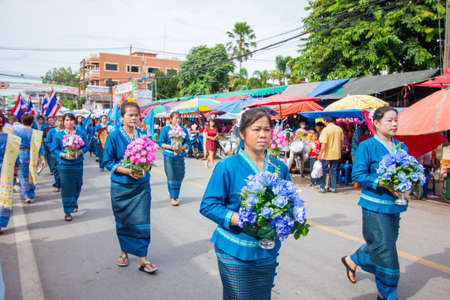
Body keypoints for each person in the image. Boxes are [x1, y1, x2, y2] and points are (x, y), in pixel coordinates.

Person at [200, 107, 291, 300]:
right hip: (234, 248)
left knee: (261, 296)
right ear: (242, 133)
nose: (263, 135)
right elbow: (208, 205)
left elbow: (289, 204)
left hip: (266, 249)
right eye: (256, 129)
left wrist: (285, 221)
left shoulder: (279, 167)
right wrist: (241, 219)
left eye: (267, 129)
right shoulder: (227, 166)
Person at [342, 107, 407, 300]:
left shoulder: (402, 147)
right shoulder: (367, 146)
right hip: (374, 205)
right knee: (386, 250)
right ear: (376, 124)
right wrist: (381, 182)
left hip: (394, 204)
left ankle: (352, 260)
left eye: (396, 120)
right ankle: (387, 293)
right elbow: (358, 174)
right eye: (389, 120)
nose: (394, 124)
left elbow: (408, 171)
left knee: (382, 245)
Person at [103, 101, 157, 274]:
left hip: (141, 186)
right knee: (124, 221)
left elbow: (150, 158)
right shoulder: (113, 136)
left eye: (136, 115)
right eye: (130, 115)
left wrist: (145, 168)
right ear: (122, 117)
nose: (134, 118)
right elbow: (107, 161)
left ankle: (142, 257)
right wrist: (127, 171)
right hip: (121, 187)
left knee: (142, 221)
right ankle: (124, 252)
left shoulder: (143, 134)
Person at [51, 113, 87, 221]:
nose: (69, 122)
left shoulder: (80, 133)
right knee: (66, 187)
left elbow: (86, 146)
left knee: (78, 185)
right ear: (63, 122)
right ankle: (67, 211)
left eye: (71, 120)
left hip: (77, 163)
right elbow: (54, 149)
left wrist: (80, 152)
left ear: (74, 122)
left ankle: (74, 201)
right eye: (66, 120)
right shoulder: (58, 134)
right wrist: (62, 154)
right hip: (64, 165)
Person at [158, 111, 189, 207]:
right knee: (171, 176)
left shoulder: (183, 129)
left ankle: (175, 194)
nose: (178, 120)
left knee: (180, 175)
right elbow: (161, 143)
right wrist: (171, 147)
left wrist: (181, 148)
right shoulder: (165, 129)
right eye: (176, 118)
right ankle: (173, 197)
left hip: (180, 155)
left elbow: (188, 142)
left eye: (179, 118)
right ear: (170, 119)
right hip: (169, 156)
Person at [13, 114, 46, 203]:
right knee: (32, 174)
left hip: (20, 154)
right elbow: (40, 147)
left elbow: (12, 145)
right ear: (32, 122)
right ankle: (31, 191)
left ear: (22, 121)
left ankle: (26, 195)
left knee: (23, 176)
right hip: (33, 155)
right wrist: (43, 159)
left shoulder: (16, 132)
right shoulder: (36, 132)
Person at [0, 112, 21, 234]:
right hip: (6, 169)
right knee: (4, 196)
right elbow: (15, 156)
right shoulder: (10, 138)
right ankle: (1, 223)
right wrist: (16, 169)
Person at [317, 115, 344, 193]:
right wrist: (340, 151)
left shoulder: (325, 130)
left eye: (324, 121)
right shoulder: (339, 129)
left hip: (326, 154)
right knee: (334, 171)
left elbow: (324, 144)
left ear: (326, 121)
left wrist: (320, 154)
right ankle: (333, 187)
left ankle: (322, 187)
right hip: (336, 154)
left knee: (324, 171)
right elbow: (342, 142)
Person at [46, 115, 64, 192]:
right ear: (56, 122)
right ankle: (57, 185)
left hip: (64, 154)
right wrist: (53, 147)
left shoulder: (66, 131)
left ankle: (64, 185)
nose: (60, 123)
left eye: (62, 121)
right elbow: (47, 142)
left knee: (63, 170)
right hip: (54, 154)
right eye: (59, 121)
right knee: (56, 170)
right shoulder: (52, 131)